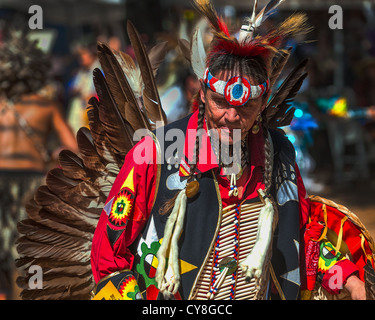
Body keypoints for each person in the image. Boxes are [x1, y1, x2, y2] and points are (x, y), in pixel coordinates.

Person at [90, 0, 370, 300]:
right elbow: (107, 259)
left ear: (262, 104)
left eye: (246, 106)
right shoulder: (155, 153)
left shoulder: (279, 156)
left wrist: (347, 277)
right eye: (220, 102)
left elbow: (300, 235)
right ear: (202, 93)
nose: (232, 116)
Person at [0, 30, 78, 299]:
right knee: (22, 255)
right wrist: (48, 157)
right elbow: (72, 149)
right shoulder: (46, 107)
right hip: (32, 184)